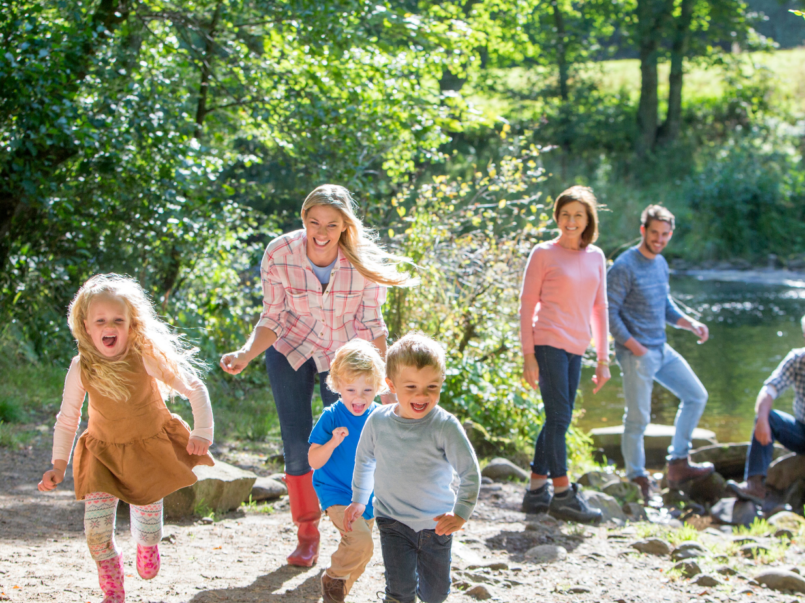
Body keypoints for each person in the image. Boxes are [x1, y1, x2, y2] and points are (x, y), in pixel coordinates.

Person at [220, 184, 414, 567]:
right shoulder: (279, 253)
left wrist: (386, 383)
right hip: (289, 348)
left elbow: (374, 325)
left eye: (331, 224)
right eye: (313, 222)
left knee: (348, 443)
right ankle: (307, 533)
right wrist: (246, 353)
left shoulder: (361, 262)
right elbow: (272, 316)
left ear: (345, 226)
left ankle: (346, 529)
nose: (321, 232)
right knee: (297, 444)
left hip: (344, 358)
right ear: (303, 220)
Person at [37, 274, 214, 603]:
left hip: (147, 455)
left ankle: (148, 545)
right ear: (86, 327)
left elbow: (194, 388)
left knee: (147, 532)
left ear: (132, 325)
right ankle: (113, 585)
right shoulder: (81, 368)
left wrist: (202, 431)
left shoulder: (145, 356)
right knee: (96, 531)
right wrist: (58, 465)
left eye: (119, 319)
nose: (110, 326)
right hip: (103, 457)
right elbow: (68, 418)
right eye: (101, 320)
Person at [344, 333, 481, 603]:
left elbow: (470, 472)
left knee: (436, 593)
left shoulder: (445, 425)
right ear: (391, 385)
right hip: (392, 521)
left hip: (437, 524)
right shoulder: (378, 421)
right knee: (400, 591)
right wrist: (360, 499)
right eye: (411, 387)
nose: (422, 395)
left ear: (442, 381)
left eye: (432, 386)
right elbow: (365, 461)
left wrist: (461, 512)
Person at [607, 205, 714, 500]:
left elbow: (664, 306)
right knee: (638, 419)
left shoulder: (661, 263)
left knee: (696, 395)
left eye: (665, 234)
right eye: (654, 232)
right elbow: (609, 313)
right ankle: (637, 477)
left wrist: (690, 324)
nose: (659, 238)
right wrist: (634, 346)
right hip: (635, 353)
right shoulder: (624, 266)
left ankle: (678, 462)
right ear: (643, 231)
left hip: (661, 348)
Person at [519, 186, 611, 523]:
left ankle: (534, 491)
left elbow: (600, 308)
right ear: (557, 217)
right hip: (548, 342)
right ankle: (562, 493)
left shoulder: (596, 256)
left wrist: (603, 358)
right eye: (565, 214)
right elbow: (527, 305)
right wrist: (529, 355)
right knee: (559, 419)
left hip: (577, 347)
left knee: (558, 419)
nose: (571, 221)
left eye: (578, 215)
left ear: (588, 220)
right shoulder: (543, 253)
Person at [308, 340, 384, 603]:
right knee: (362, 543)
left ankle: (335, 592)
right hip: (336, 491)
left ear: (379, 386)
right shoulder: (331, 417)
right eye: (351, 389)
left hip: (368, 497)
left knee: (363, 553)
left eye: (368, 389)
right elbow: (314, 461)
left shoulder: (381, 417)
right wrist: (332, 442)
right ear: (337, 385)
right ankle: (333, 577)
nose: (359, 397)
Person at [727, 315, 805, 505]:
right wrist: (761, 418)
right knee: (767, 417)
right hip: (802, 432)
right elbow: (769, 389)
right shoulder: (797, 359)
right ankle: (754, 485)